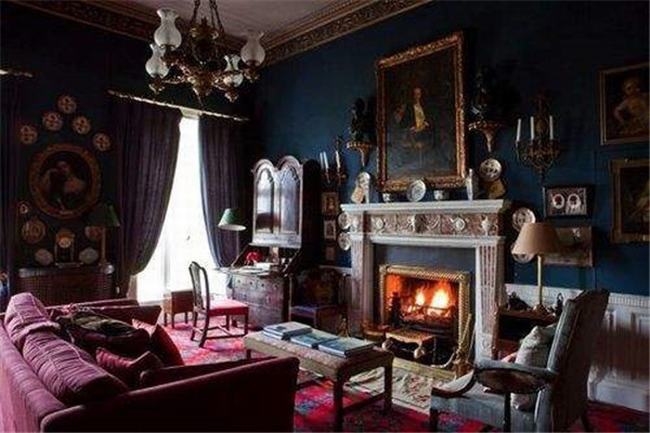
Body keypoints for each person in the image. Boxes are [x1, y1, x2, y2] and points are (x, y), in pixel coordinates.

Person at [393, 87, 433, 154]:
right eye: (415, 94)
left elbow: (429, 119)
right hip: (413, 132)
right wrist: (412, 127)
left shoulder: (425, 106)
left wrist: (424, 125)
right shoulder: (409, 107)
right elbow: (405, 121)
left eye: (418, 94)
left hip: (424, 132)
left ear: (421, 95)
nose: (416, 96)